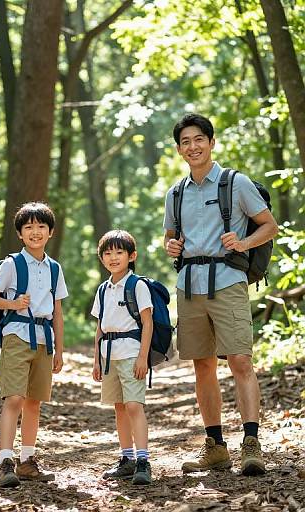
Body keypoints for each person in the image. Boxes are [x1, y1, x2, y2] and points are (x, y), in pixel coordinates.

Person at [163, 113, 278, 475]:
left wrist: (243, 242)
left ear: (211, 143)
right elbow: (169, 236)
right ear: (179, 149)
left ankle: (251, 443)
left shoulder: (235, 183)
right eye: (185, 142)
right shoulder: (175, 192)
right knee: (202, 366)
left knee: (241, 361)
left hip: (228, 281)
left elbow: (269, 227)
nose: (192, 147)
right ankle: (215, 446)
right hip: (188, 286)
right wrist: (171, 246)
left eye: (199, 139)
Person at [0, 202, 68, 488]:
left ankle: (27, 461)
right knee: (14, 398)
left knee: (34, 402)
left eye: (41, 226)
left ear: (50, 232)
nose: (35, 231)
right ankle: (5, 462)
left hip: (45, 340)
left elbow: (57, 311)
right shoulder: (12, 264)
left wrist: (60, 349)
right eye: (28, 226)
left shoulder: (55, 268)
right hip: (17, 334)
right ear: (20, 233)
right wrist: (12, 303)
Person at [91, 230, 153, 485]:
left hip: (130, 352)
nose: (113, 257)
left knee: (134, 405)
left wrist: (143, 358)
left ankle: (143, 460)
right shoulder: (103, 289)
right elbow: (100, 327)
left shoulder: (136, 285)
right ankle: (126, 459)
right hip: (109, 356)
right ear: (102, 258)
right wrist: (96, 359)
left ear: (131, 256)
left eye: (119, 252)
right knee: (119, 406)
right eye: (108, 253)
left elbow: (147, 323)